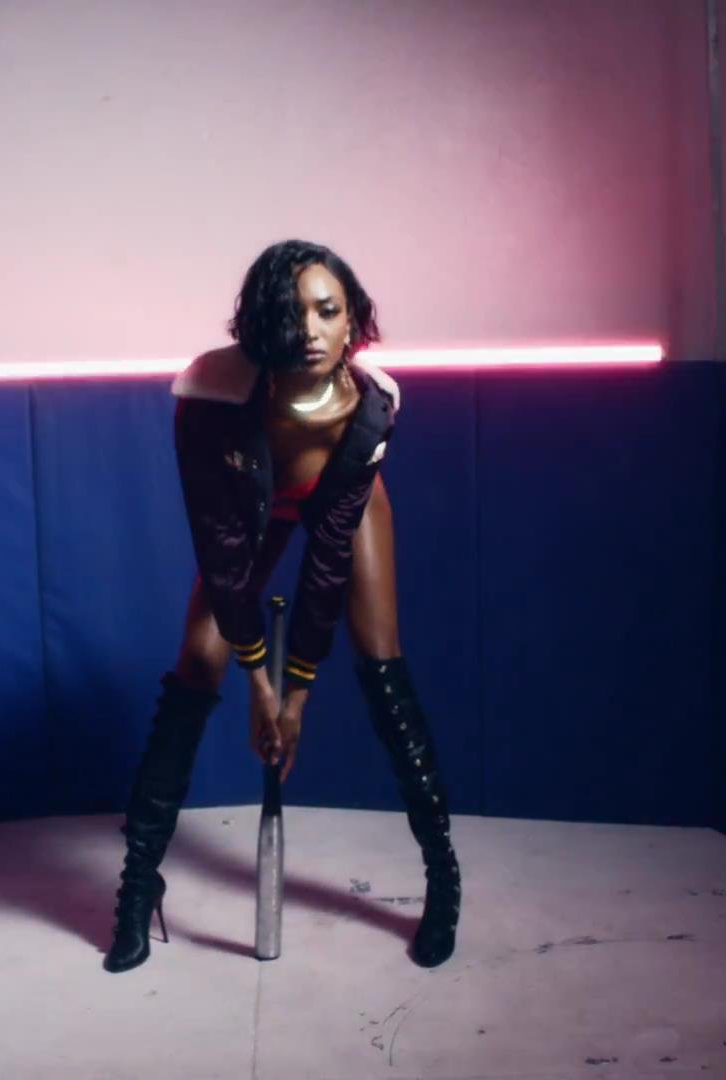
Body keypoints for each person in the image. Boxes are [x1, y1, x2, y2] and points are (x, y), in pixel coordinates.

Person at [102, 239, 460, 974]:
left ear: (352, 317)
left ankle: (443, 875)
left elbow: (327, 559)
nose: (312, 330)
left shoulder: (372, 407)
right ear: (262, 323)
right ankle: (139, 883)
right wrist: (257, 687)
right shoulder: (211, 393)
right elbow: (221, 547)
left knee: (382, 663)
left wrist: (295, 695)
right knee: (198, 662)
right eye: (293, 314)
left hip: (336, 506)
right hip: (247, 515)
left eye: (328, 311)